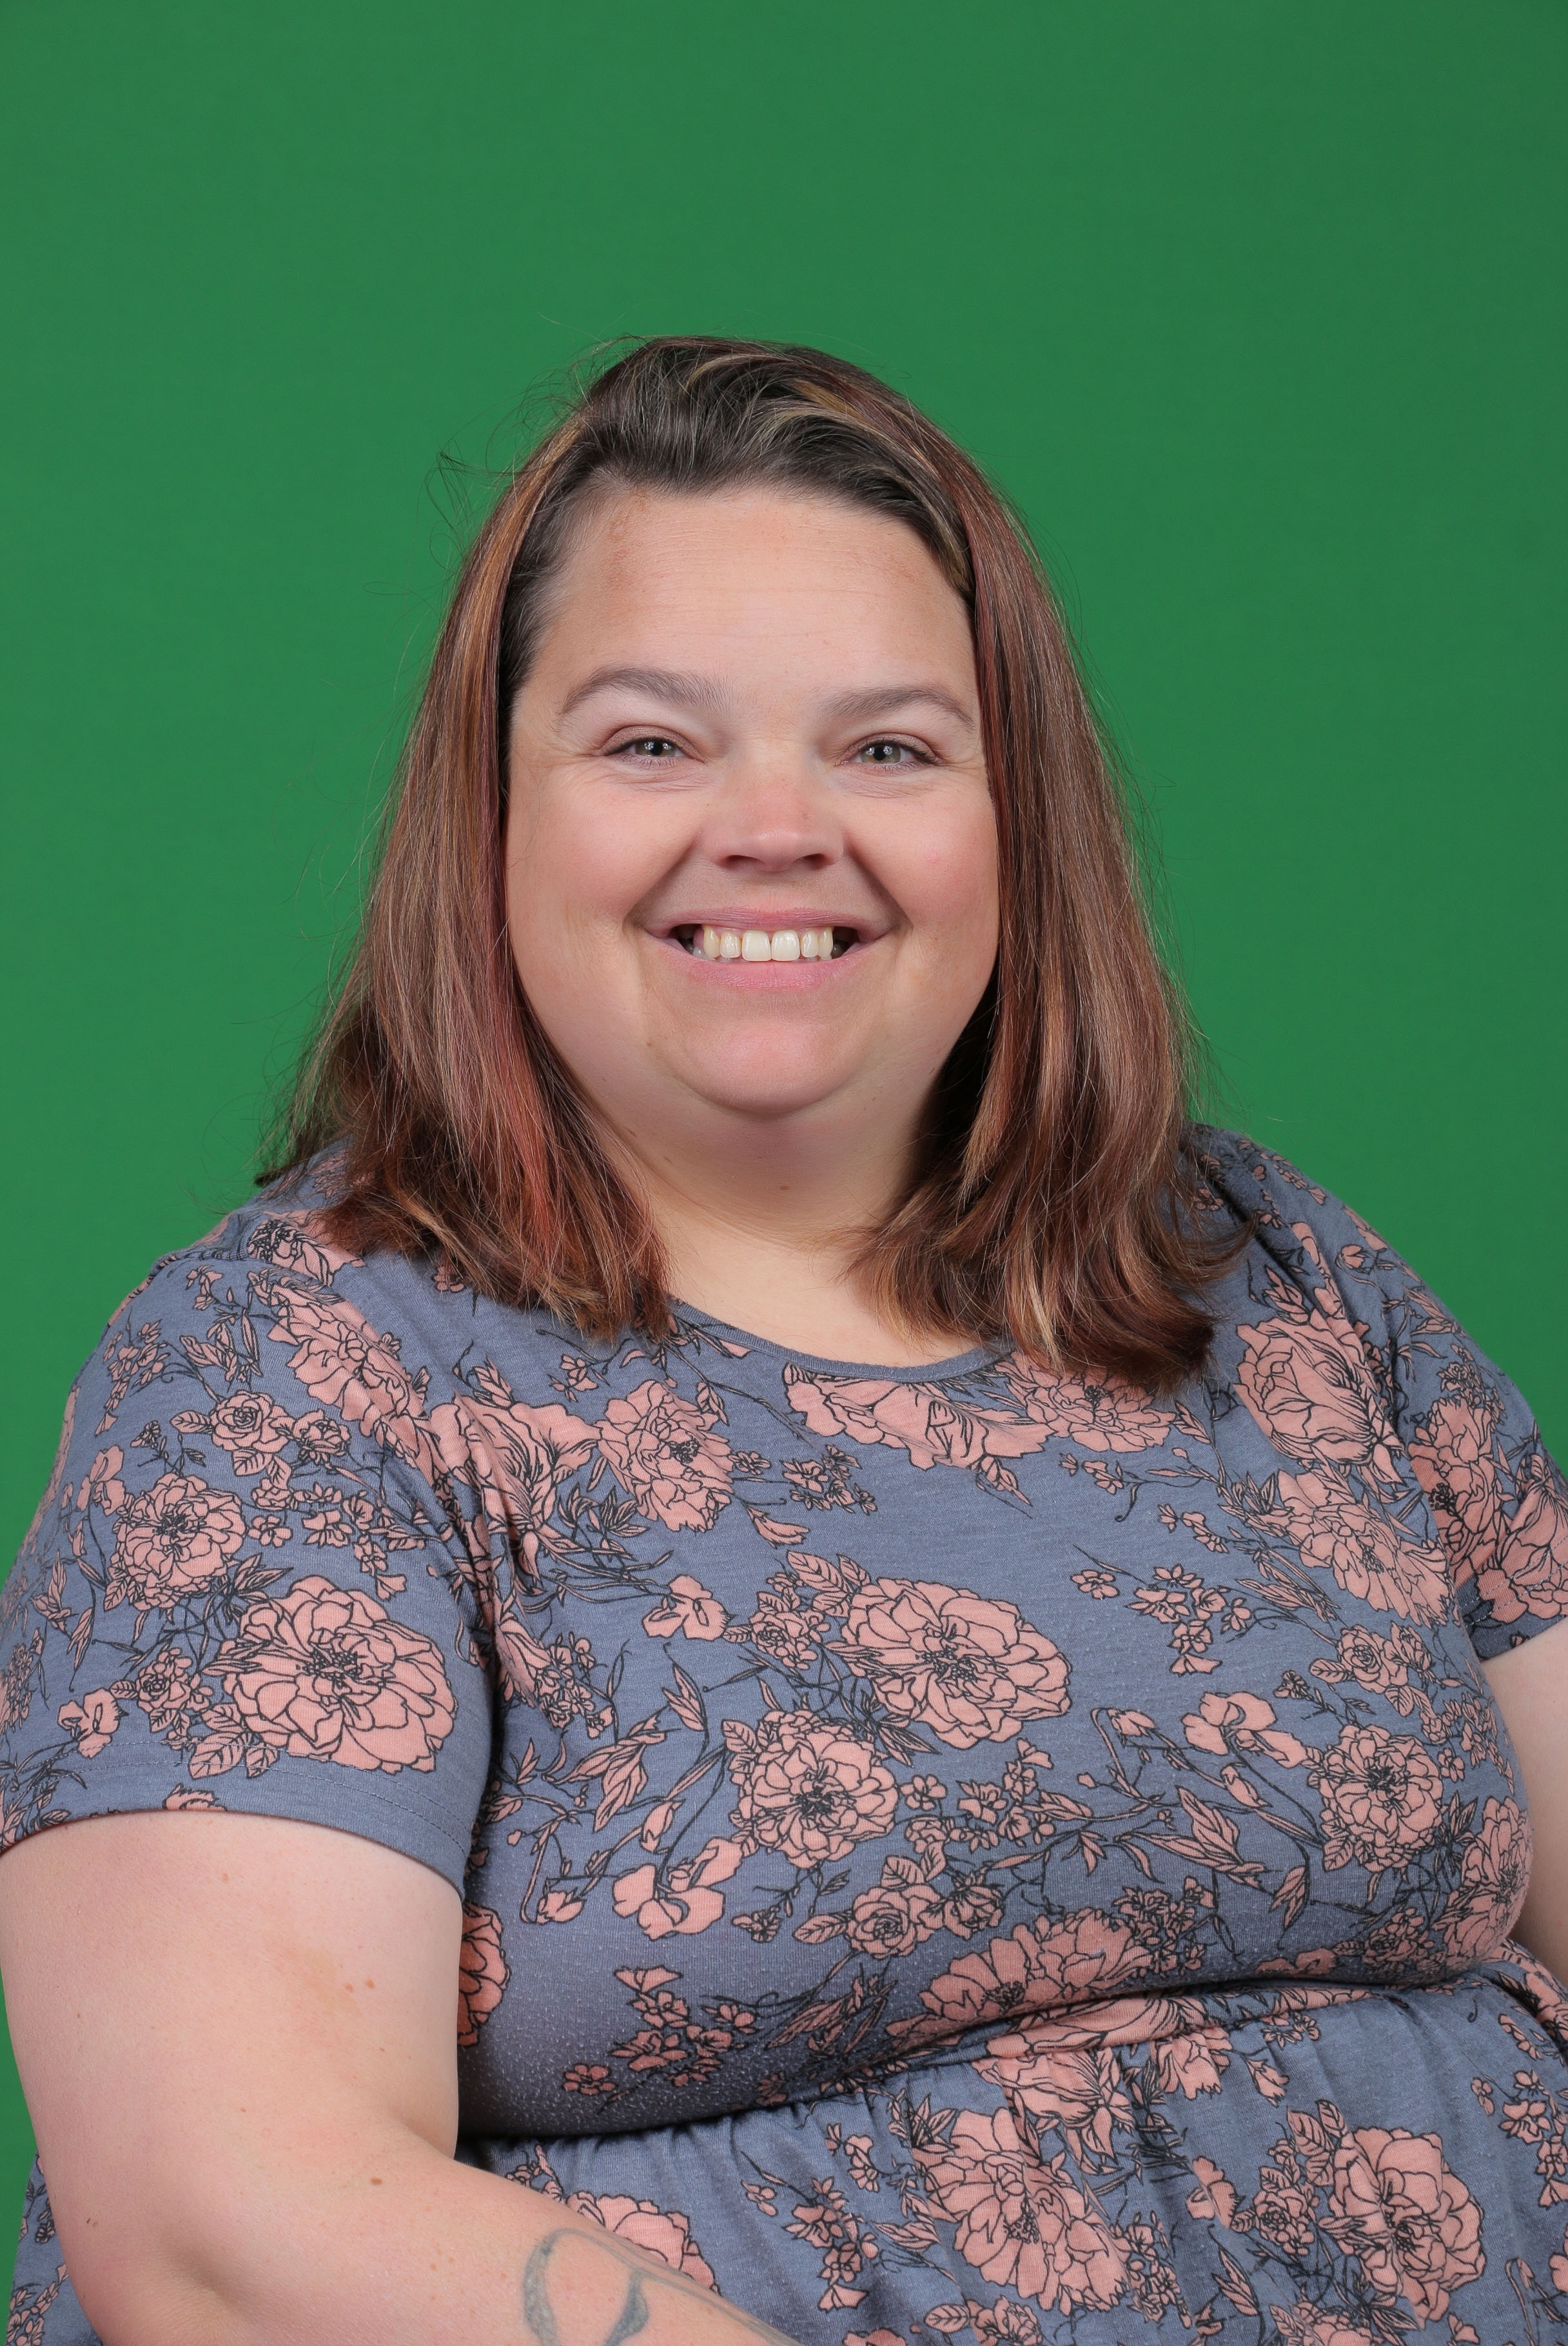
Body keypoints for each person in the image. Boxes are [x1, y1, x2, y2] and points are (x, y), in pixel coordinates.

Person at [1, 336, 1565, 2346]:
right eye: (653, 743)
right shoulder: (281, 1375)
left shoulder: (1273, 1272)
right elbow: (232, 2227)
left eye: (889, 749)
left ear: (1016, 822)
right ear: (493, 812)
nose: (774, 827)